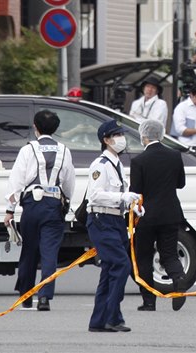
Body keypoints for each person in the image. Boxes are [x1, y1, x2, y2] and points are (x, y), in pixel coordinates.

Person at [4, 110, 75, 311]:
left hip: (31, 205)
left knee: (29, 251)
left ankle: (26, 295)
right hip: (53, 205)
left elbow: (16, 181)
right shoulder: (64, 150)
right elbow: (69, 182)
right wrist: (66, 202)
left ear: (35, 127)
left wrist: (10, 210)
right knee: (49, 252)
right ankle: (44, 297)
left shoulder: (28, 150)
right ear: (56, 128)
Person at [86, 120, 141, 332]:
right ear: (106, 140)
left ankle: (100, 321)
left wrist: (132, 205)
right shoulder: (100, 164)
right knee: (121, 265)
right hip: (101, 220)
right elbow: (95, 195)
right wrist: (122, 196)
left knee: (110, 269)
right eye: (116, 135)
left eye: (121, 134)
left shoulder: (117, 163)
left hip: (115, 220)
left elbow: (117, 196)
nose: (121, 139)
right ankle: (111, 316)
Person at [129, 120, 188, 312]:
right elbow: (181, 184)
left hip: (147, 215)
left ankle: (149, 301)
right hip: (170, 212)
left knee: (143, 256)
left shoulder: (139, 161)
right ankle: (178, 280)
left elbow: (135, 191)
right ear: (161, 134)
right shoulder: (174, 156)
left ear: (144, 136)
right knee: (169, 253)